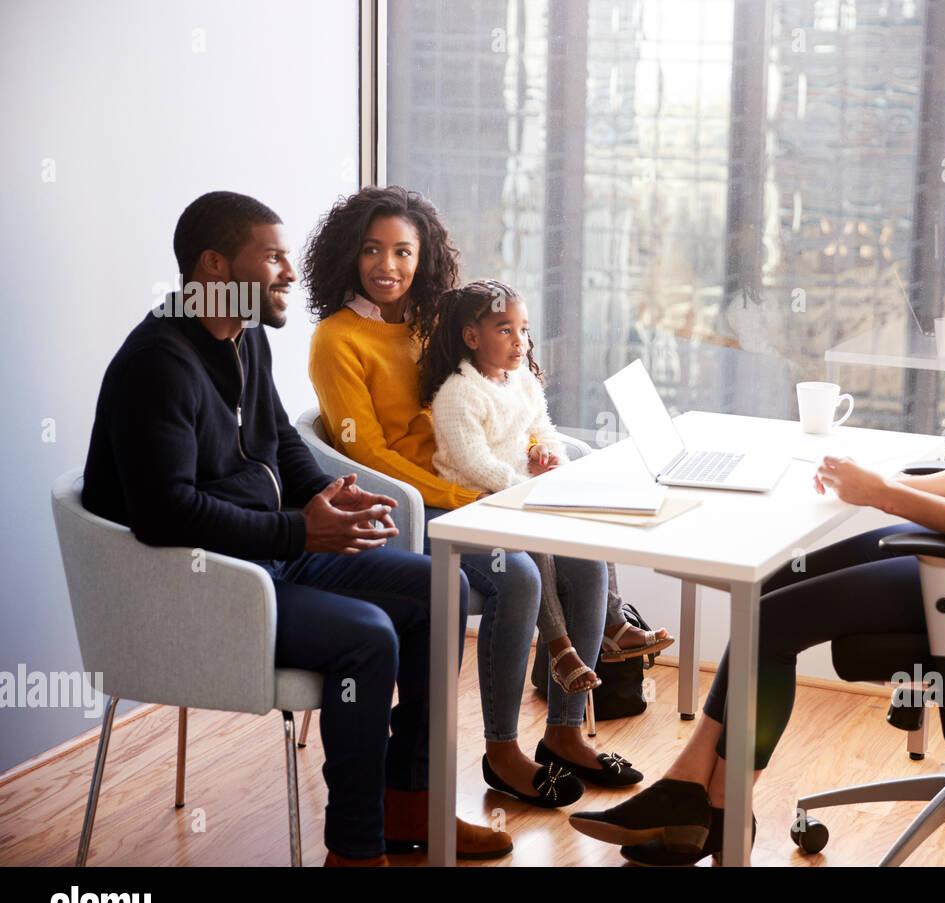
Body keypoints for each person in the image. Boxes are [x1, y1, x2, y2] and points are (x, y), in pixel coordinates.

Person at [569, 179, 945, 864]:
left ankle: (715, 805)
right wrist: (879, 483)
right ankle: (696, 790)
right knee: (772, 586)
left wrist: (885, 496)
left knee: (772, 620)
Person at [80, 191, 506, 866]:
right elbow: (166, 515)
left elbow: (280, 439)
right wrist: (299, 533)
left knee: (441, 588)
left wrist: (327, 497)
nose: (289, 272)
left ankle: (410, 799)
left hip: (269, 556)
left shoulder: (241, 335)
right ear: (215, 267)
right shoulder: (157, 366)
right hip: (202, 584)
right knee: (365, 636)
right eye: (273, 256)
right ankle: (355, 849)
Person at [303, 187, 643, 807]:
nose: (388, 266)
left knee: (585, 558)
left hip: (471, 482)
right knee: (518, 576)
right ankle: (503, 751)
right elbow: (368, 455)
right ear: (348, 256)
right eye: (372, 250)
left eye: (403, 251)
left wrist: (530, 458)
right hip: (411, 504)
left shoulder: (433, 323)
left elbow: (503, 396)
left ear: (423, 255)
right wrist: (459, 495)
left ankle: (565, 734)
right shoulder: (336, 340)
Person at [424, 279, 604, 696]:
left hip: (516, 494)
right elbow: (475, 463)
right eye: (505, 330)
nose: (519, 341)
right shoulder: (458, 393)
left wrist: (552, 460)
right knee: (532, 539)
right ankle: (560, 649)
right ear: (472, 337)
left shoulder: (521, 380)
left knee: (591, 530)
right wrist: (525, 490)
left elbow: (542, 429)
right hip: (477, 503)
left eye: (523, 329)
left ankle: (613, 623)